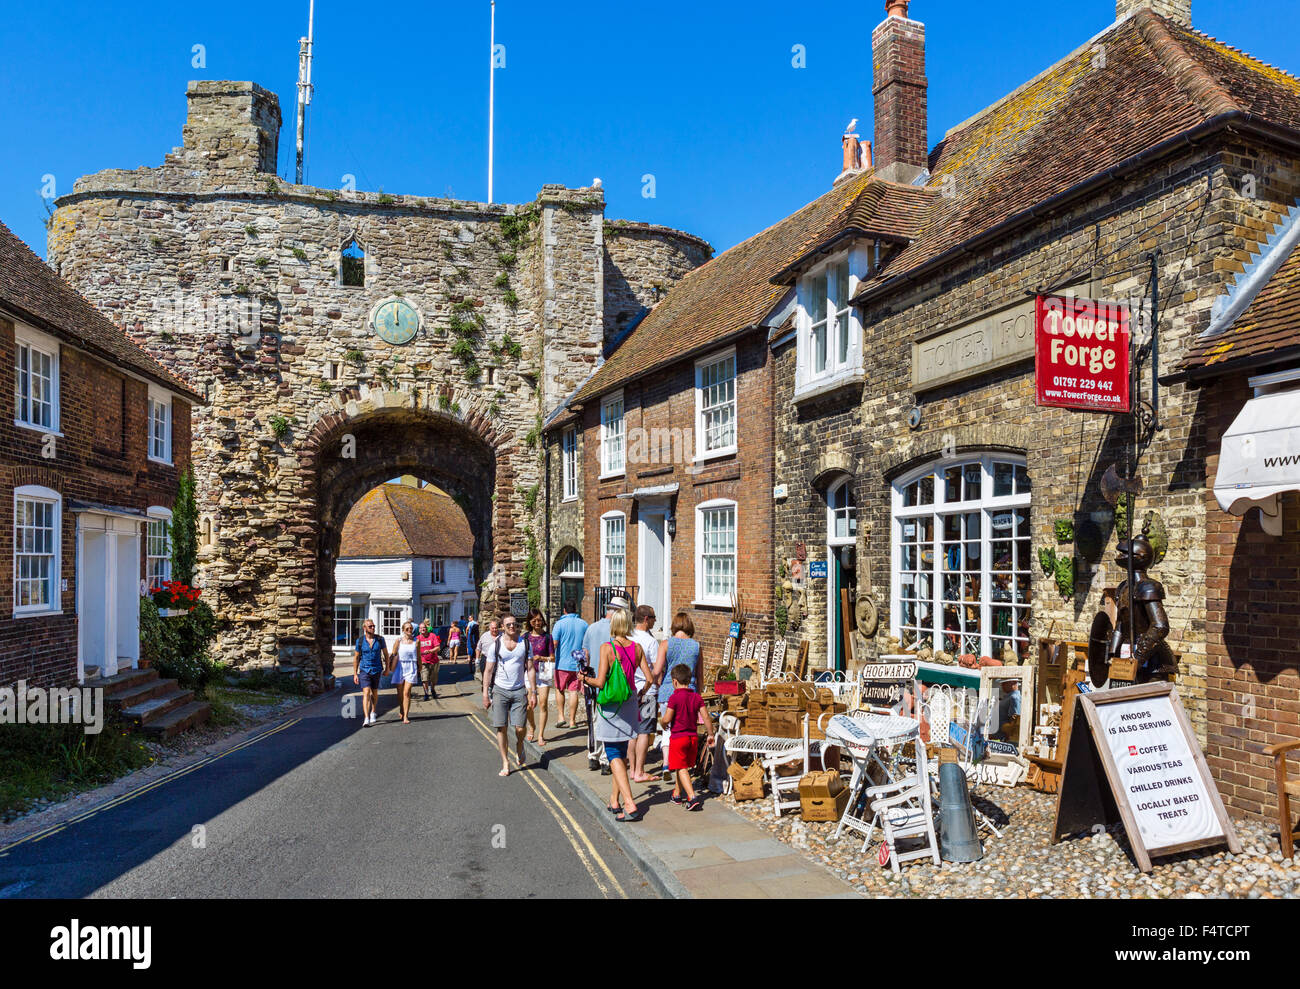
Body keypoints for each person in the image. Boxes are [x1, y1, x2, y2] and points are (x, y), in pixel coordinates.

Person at [581, 607, 653, 822]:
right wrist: (639, 695)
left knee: (612, 754)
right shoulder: (637, 647)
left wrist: (583, 678)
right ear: (629, 625)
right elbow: (649, 679)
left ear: (614, 625)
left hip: (611, 707)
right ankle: (614, 800)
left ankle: (630, 804)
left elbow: (600, 682)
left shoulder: (607, 648)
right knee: (620, 754)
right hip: (630, 703)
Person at [483, 615, 537, 776]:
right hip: (500, 690)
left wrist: (533, 692)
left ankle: (520, 744)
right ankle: (506, 762)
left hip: (519, 690)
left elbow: (531, 669)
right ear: (502, 627)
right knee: (501, 727)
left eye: (514, 624)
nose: (512, 627)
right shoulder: (496, 645)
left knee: (520, 728)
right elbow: (488, 670)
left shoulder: (525, 644)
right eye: (508, 625)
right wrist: (485, 693)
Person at [582, 596, 630, 773]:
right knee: (608, 721)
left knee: (593, 719)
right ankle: (604, 760)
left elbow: (585, 655)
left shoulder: (592, 628)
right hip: (611, 684)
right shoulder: (617, 632)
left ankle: (593, 755)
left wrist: (584, 680)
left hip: (592, 681)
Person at [660, 663, 714, 811]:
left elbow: (668, 717)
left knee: (681, 766)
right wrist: (710, 734)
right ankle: (676, 794)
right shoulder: (696, 697)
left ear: (674, 682)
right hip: (693, 738)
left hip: (679, 738)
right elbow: (706, 717)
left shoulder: (674, 697)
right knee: (681, 766)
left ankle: (692, 797)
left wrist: (662, 722)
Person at [655, 613, 702, 774]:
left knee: (668, 730)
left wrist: (654, 686)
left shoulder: (666, 644)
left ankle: (667, 763)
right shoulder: (696, 646)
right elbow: (699, 674)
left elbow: (658, 670)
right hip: (690, 693)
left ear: (674, 626)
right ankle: (684, 764)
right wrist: (699, 695)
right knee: (686, 730)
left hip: (668, 691)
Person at [629, 605, 661, 783]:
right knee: (644, 732)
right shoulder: (650, 642)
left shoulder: (628, 637)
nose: (656, 621)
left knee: (632, 731)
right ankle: (640, 771)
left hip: (630, 691)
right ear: (646, 619)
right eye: (654, 618)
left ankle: (632, 769)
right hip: (648, 692)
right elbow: (657, 671)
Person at [551, 599, 589, 730]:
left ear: (564, 610)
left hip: (562, 664)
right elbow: (586, 645)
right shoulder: (584, 624)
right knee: (573, 692)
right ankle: (572, 721)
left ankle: (561, 717)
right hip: (578, 664)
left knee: (559, 689)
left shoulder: (559, 624)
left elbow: (554, 643)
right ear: (576, 609)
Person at [523, 609, 555, 745]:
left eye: (539, 620)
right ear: (530, 622)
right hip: (529, 672)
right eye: (534, 620)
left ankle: (541, 735)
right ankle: (532, 727)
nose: (537, 622)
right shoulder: (525, 637)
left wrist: (541, 657)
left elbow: (553, 658)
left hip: (544, 673)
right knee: (529, 705)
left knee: (543, 704)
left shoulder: (547, 637)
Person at [352, 617, 389, 727]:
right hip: (364, 669)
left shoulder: (380, 639)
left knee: (375, 692)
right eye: (370, 626)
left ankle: (373, 711)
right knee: (366, 692)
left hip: (377, 669)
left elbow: (386, 655)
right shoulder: (360, 641)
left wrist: (387, 668)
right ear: (364, 628)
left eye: (373, 626)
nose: (373, 628)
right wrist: (355, 673)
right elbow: (356, 658)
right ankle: (366, 718)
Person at [390, 621, 420, 724]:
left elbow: (419, 656)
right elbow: (393, 654)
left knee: (406, 692)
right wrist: (389, 666)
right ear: (403, 630)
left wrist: (419, 667)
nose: (409, 630)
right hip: (400, 667)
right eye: (407, 629)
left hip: (411, 667)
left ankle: (406, 716)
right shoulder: (398, 641)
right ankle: (401, 709)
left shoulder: (416, 641)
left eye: (411, 628)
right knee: (400, 693)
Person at [417, 620, 441, 701]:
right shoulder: (417, 639)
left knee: (433, 679)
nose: (423, 629)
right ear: (419, 630)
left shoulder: (432, 636)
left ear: (427, 629)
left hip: (434, 661)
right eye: (421, 628)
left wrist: (430, 651)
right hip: (423, 662)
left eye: (424, 628)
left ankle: (433, 689)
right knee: (425, 679)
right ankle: (426, 693)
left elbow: (438, 647)